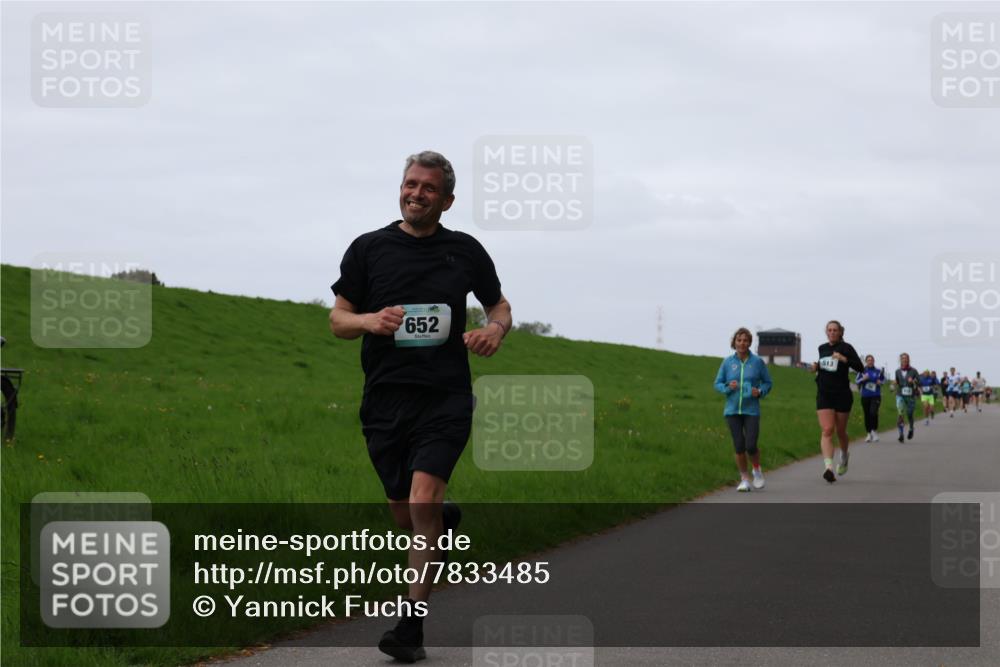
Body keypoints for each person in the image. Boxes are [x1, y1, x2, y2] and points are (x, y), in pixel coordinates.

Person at [329, 151, 512, 663]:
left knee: (423, 499)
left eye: (428, 188)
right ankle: (441, 527)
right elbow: (338, 320)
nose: (416, 193)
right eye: (411, 184)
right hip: (385, 399)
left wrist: (495, 329)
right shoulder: (369, 248)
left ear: (446, 200)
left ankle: (410, 626)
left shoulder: (465, 251)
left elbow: (499, 305)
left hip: (444, 397)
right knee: (404, 511)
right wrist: (369, 321)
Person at [713, 328, 773, 492]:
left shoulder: (757, 362)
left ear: (749, 343)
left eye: (745, 340)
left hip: (751, 410)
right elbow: (717, 383)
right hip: (732, 411)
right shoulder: (727, 362)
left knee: (751, 445)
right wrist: (727, 387)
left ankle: (757, 470)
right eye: (739, 340)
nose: (742, 343)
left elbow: (768, 382)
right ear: (734, 342)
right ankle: (745, 479)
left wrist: (759, 391)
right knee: (739, 446)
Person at [810, 320, 865, 482]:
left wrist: (843, 359)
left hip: (842, 394)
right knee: (827, 430)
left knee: (840, 431)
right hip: (824, 393)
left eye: (835, 330)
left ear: (840, 332)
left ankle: (844, 456)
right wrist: (816, 367)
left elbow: (860, 367)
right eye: (829, 330)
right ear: (826, 332)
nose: (832, 332)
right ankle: (828, 468)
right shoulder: (822, 348)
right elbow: (824, 365)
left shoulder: (846, 348)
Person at [856, 355, 885, 442]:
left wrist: (880, 382)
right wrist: (863, 379)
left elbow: (884, 380)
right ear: (866, 361)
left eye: (871, 360)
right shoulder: (862, 371)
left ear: (873, 361)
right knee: (867, 414)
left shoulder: (878, 371)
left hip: (876, 395)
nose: (870, 361)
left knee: (873, 412)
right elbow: (857, 381)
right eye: (868, 360)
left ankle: (874, 431)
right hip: (865, 396)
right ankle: (868, 433)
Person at [892, 354, 920, 442]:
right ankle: (901, 434)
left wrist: (913, 381)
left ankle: (911, 428)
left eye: (906, 358)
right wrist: (894, 383)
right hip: (900, 394)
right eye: (903, 358)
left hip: (910, 396)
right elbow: (897, 381)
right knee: (900, 413)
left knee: (909, 414)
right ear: (900, 360)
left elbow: (919, 381)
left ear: (908, 360)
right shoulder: (897, 371)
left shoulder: (914, 371)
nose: (904, 360)